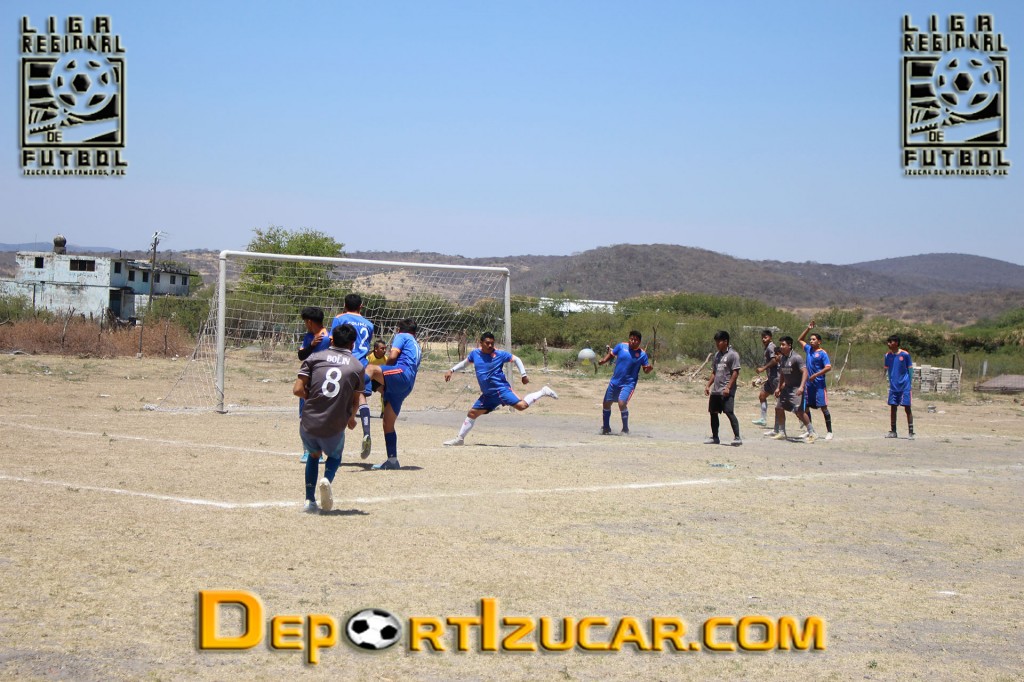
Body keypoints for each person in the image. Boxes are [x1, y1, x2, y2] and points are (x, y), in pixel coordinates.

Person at [292, 324, 364, 513]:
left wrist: (311, 397)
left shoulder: (314, 358)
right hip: (335, 423)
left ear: (332, 340)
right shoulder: (357, 366)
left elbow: (297, 390)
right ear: (352, 344)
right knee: (335, 456)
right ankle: (327, 479)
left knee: (314, 455)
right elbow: (356, 399)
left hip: (309, 422)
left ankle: (309, 501)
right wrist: (351, 418)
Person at [442, 332, 558, 445]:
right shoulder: (475, 354)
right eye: (487, 343)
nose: (490, 345)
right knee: (472, 413)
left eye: (492, 343)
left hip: (501, 390)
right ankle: (460, 439)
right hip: (488, 395)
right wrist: (451, 370)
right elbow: (465, 363)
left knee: (521, 406)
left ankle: (543, 391)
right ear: (481, 343)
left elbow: (516, 359)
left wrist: (523, 375)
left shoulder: (499, 354)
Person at [363, 318, 421, 470]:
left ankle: (359, 393)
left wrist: (384, 369)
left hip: (401, 373)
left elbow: (393, 356)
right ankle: (392, 460)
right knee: (388, 423)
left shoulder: (402, 336)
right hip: (407, 384)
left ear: (399, 329)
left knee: (371, 369)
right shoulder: (416, 344)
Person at [330, 294, 375, 458]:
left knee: (338, 400)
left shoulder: (339, 318)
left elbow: (332, 340)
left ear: (344, 305)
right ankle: (366, 432)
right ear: (361, 306)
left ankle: (333, 442)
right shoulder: (369, 324)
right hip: (362, 365)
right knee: (361, 397)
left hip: (344, 361)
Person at [597, 330, 653, 435]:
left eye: (636, 340)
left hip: (629, 384)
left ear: (639, 342)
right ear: (629, 339)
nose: (633, 341)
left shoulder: (642, 354)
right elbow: (611, 354)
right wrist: (604, 360)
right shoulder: (621, 346)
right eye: (631, 339)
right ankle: (606, 427)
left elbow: (645, 370)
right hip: (615, 382)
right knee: (606, 403)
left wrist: (648, 369)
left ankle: (625, 429)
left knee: (622, 403)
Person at [298, 306, 331, 463]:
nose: (305, 325)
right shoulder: (309, 337)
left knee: (319, 417)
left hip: (321, 382)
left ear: (310, 322)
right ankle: (307, 451)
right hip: (308, 380)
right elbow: (301, 355)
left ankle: (319, 452)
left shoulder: (327, 339)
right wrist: (311, 345)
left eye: (305, 322)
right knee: (305, 416)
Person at [771, 336, 815, 442]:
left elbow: (805, 372)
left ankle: (812, 432)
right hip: (786, 388)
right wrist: (778, 388)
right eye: (780, 344)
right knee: (779, 408)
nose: (781, 346)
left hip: (796, 388)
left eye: (783, 344)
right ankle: (782, 432)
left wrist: (802, 387)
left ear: (789, 345)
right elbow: (782, 374)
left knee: (799, 412)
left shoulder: (796, 358)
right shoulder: (782, 358)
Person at [704, 330, 742, 446]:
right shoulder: (717, 355)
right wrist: (708, 385)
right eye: (716, 341)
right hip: (716, 390)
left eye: (719, 341)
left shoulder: (733, 355)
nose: (717, 344)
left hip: (726, 390)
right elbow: (714, 372)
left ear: (725, 341)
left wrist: (728, 387)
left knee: (729, 412)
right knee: (713, 412)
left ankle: (737, 437)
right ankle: (715, 437)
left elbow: (735, 372)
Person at [798, 320, 834, 440]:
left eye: (814, 339)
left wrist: (816, 375)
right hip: (808, 385)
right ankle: (810, 431)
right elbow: (800, 339)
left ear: (819, 341)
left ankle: (829, 431)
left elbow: (828, 367)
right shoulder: (808, 349)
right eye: (810, 339)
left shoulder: (822, 353)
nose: (811, 341)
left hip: (819, 384)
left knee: (823, 407)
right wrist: (808, 328)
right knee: (806, 407)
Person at [884, 335, 915, 439]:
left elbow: (910, 369)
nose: (888, 344)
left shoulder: (905, 355)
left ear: (896, 343)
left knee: (907, 407)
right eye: (888, 342)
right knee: (893, 407)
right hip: (894, 386)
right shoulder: (887, 355)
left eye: (890, 342)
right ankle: (893, 431)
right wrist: (890, 380)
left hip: (904, 385)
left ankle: (911, 432)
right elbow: (887, 369)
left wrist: (909, 383)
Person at [753, 329, 780, 432]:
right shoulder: (767, 347)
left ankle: (801, 418)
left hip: (776, 377)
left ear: (770, 337)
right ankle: (763, 419)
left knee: (782, 402)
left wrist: (763, 368)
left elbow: (774, 360)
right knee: (762, 395)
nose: (764, 339)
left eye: (766, 337)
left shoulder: (771, 347)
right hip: (770, 378)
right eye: (762, 338)